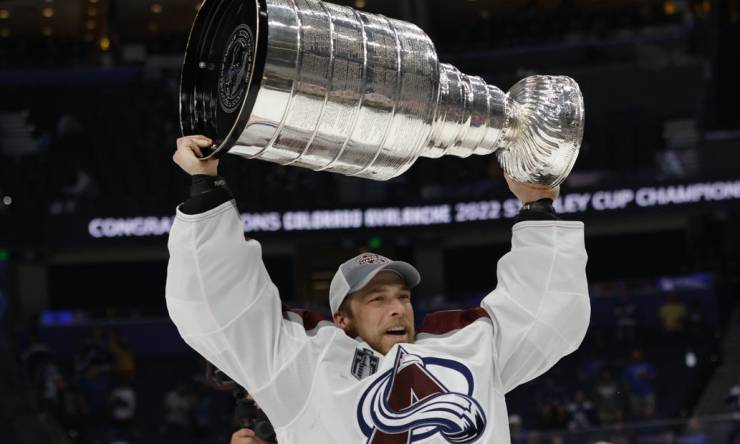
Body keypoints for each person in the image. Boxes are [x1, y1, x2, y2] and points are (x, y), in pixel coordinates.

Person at [166, 135, 591, 442]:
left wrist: (538, 205)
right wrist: (206, 186)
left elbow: (546, 311)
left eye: (403, 297)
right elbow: (222, 307)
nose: (397, 309)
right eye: (376, 299)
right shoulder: (309, 363)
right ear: (341, 319)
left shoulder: (470, 348)